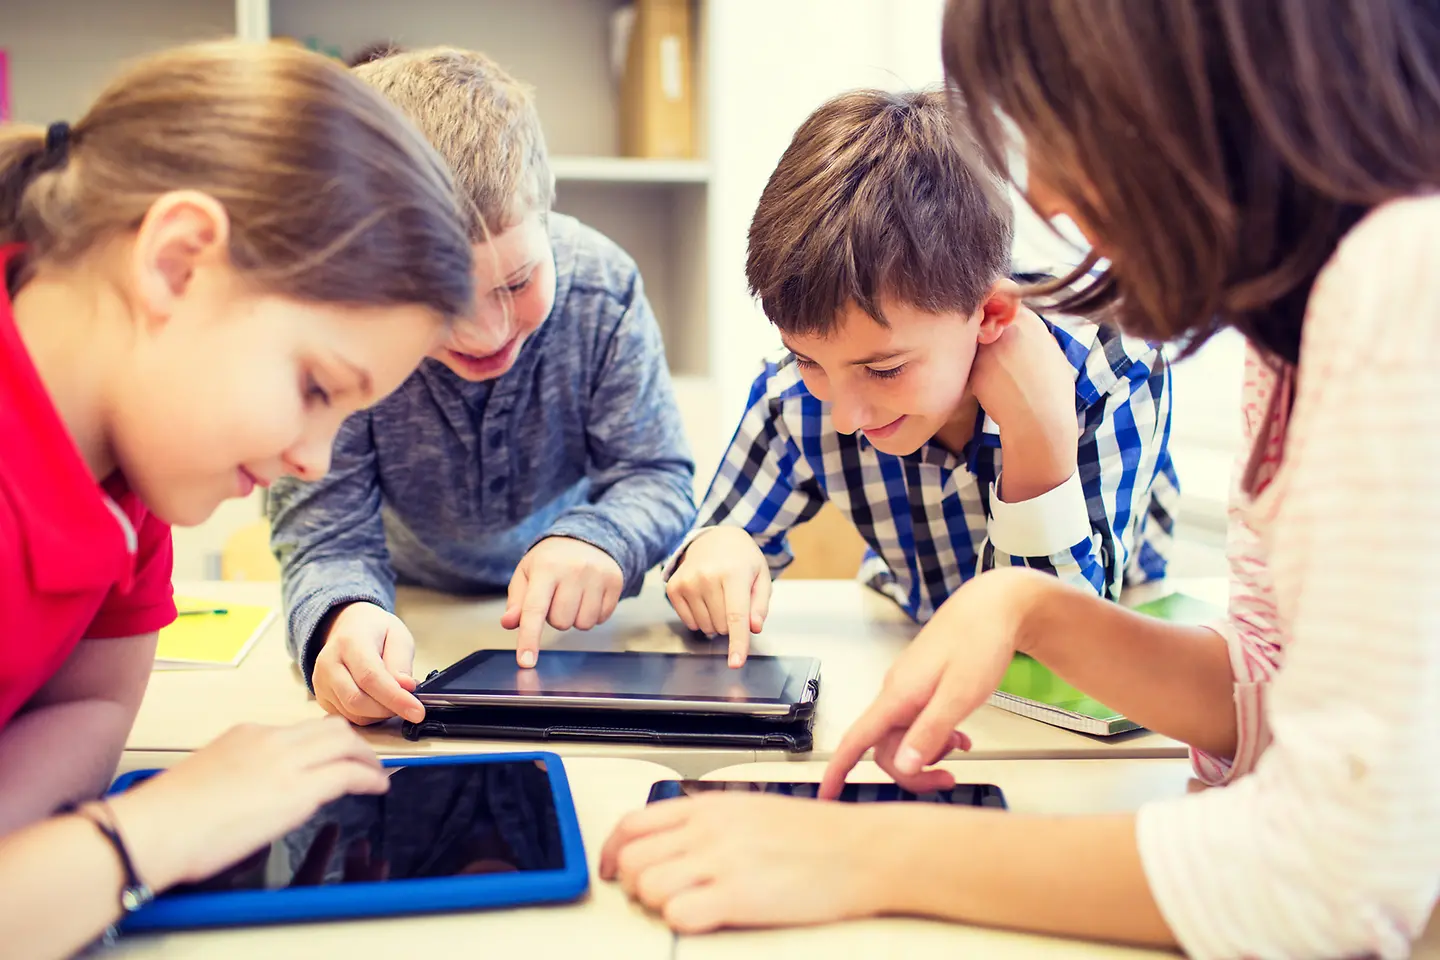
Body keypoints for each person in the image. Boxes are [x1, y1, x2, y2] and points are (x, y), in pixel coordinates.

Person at [600, 2, 1440, 955]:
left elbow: (1338, 874)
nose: (1039, 189)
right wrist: (1026, 608)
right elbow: (1266, 688)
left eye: (1060, 119)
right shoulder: (1289, 334)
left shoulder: (1399, 278)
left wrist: (869, 852)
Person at [0, 40, 475, 957]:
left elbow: (90, 708)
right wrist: (154, 831)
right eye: (313, 388)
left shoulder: (129, 460)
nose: (316, 459)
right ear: (178, 262)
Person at [665, 89, 1176, 664]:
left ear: (990, 315)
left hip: (1112, 662)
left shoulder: (1112, 367)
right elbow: (705, 550)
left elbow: (1056, 643)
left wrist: (1040, 434)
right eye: (807, 359)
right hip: (912, 635)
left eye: (884, 369)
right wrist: (717, 550)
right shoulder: (795, 397)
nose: (845, 415)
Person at [268, 47, 696, 727]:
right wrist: (342, 618)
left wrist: (602, 537)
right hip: (408, 614)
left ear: (548, 207)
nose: (487, 331)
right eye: (442, 302)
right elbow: (327, 535)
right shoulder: (345, 326)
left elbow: (658, 473)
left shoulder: (603, 289)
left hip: (581, 632)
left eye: (517, 282)